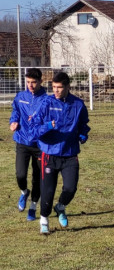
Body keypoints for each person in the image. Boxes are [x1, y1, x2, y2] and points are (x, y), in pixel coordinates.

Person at [31, 72, 90, 235]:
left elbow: (83, 124)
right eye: (53, 87)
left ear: (68, 87)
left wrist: (83, 134)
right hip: (49, 154)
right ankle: (44, 220)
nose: (56, 90)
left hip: (70, 154)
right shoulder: (46, 103)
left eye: (59, 87)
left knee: (71, 188)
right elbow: (34, 129)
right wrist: (47, 126)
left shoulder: (78, 104)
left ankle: (61, 206)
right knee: (48, 192)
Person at [9, 68, 47, 221]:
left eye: (34, 82)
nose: (30, 85)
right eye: (28, 82)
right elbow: (15, 112)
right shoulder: (20, 96)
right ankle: (24, 192)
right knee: (20, 174)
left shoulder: (46, 100)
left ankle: (33, 206)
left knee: (37, 177)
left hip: (39, 144)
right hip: (22, 141)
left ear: (40, 82)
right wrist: (13, 121)